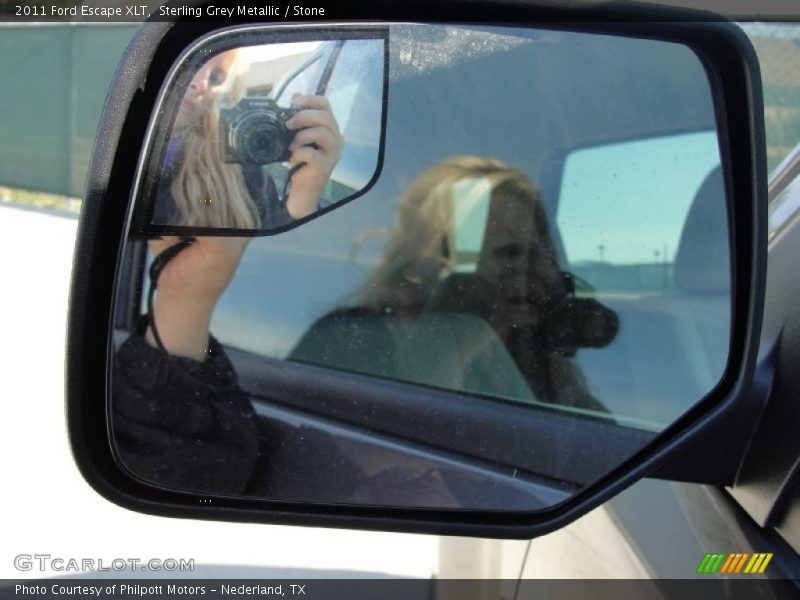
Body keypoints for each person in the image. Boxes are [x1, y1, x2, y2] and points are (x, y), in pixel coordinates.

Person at [112, 47, 343, 494]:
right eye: (190, 65)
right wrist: (186, 293)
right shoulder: (129, 159)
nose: (201, 83)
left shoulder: (239, 171)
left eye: (217, 76)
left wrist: (307, 190)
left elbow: (279, 264)